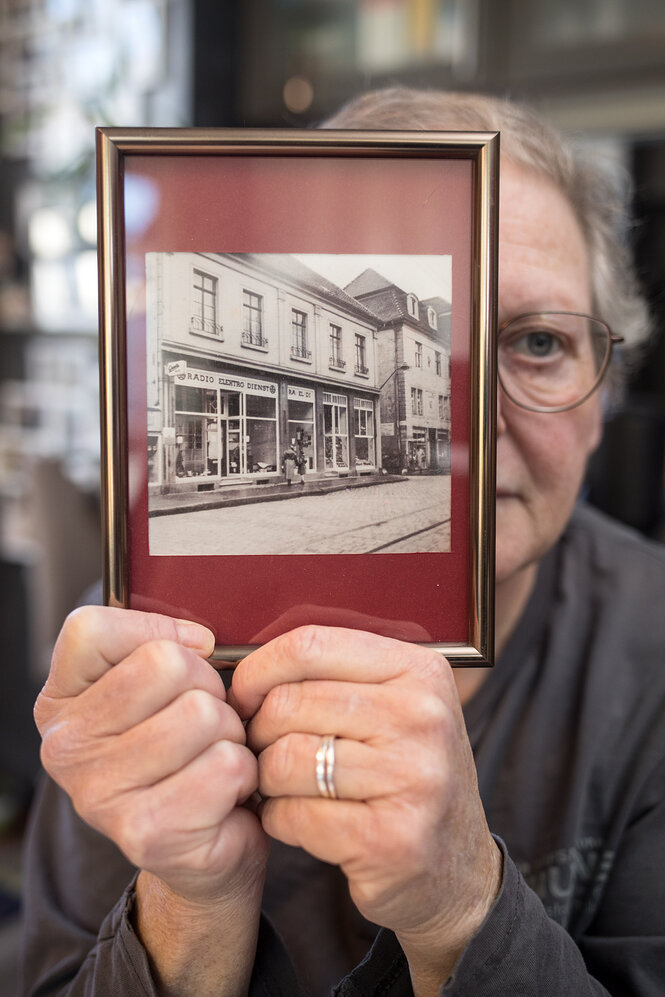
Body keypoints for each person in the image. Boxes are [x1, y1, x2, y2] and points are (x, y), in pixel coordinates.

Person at [21, 88, 665, 997]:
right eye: (443, 354)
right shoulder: (146, 646)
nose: (468, 422)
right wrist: (189, 907)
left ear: (605, 396)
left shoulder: (652, 653)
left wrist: (460, 909)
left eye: (534, 341)